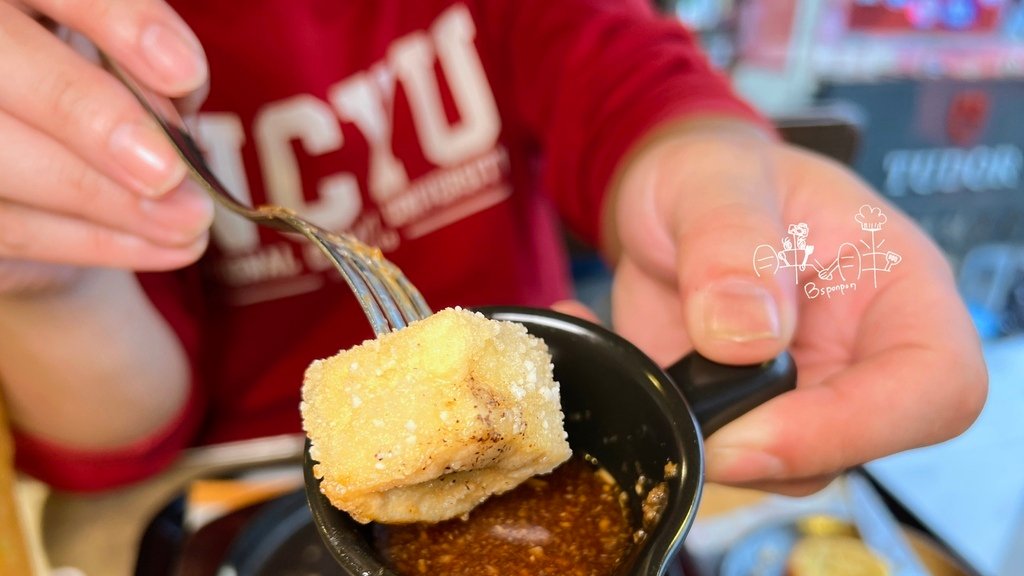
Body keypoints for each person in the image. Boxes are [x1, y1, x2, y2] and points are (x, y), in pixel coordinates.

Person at [0, 0, 986, 496]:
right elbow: (121, 442)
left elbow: (616, 65)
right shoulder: (56, 41)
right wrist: (42, 277)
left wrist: (709, 167)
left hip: (546, 430)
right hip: (223, 490)